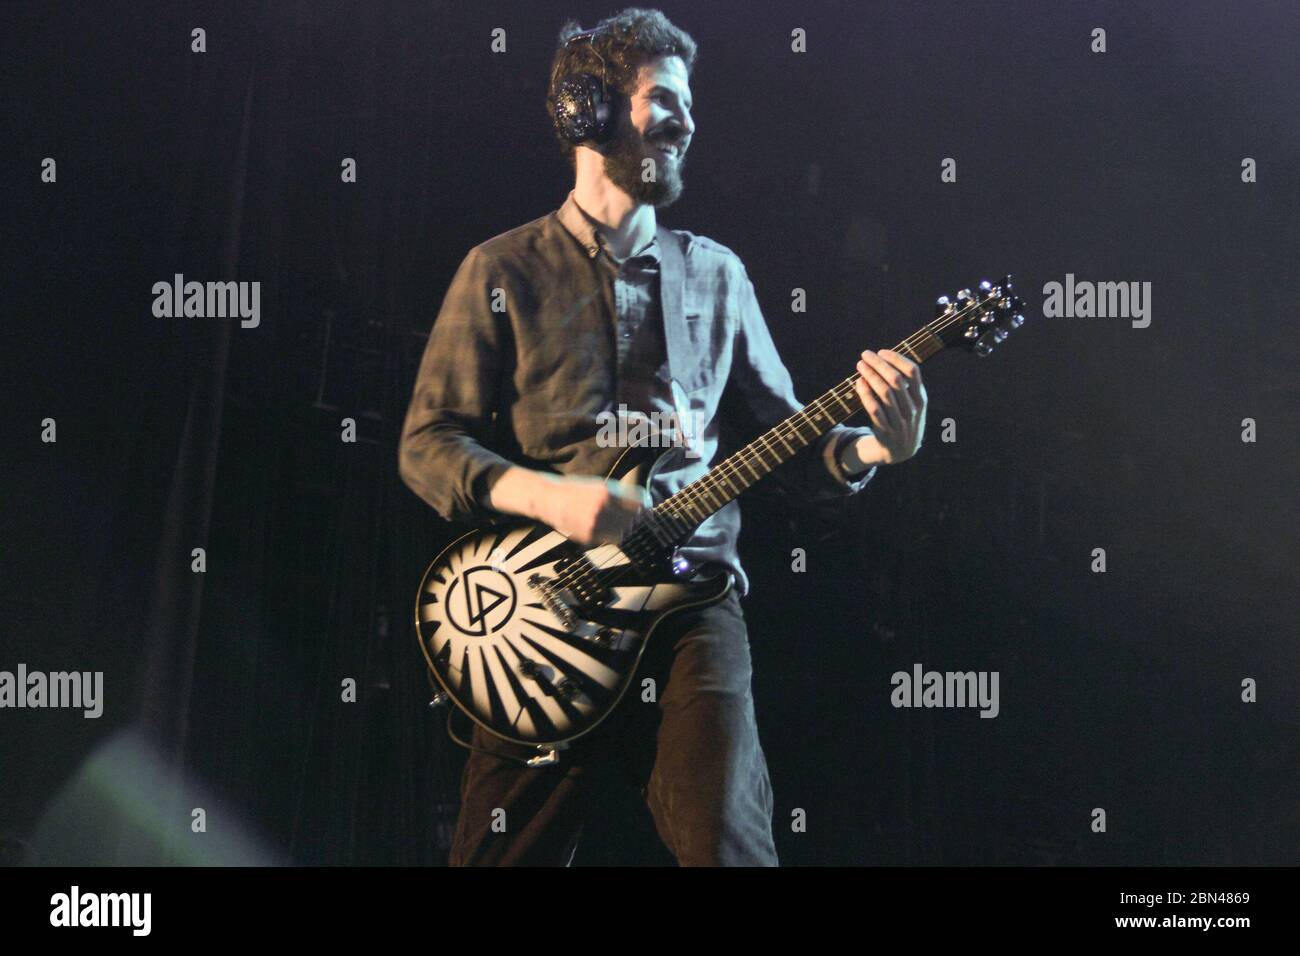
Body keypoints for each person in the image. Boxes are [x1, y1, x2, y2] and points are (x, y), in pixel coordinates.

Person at [398, 7, 927, 866]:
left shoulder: (718, 275)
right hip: (542, 614)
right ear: (589, 112)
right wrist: (552, 498)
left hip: (693, 606)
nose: (687, 122)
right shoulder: (501, 271)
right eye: (663, 99)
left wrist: (873, 449)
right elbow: (427, 444)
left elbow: (796, 451)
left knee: (728, 844)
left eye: (688, 104)